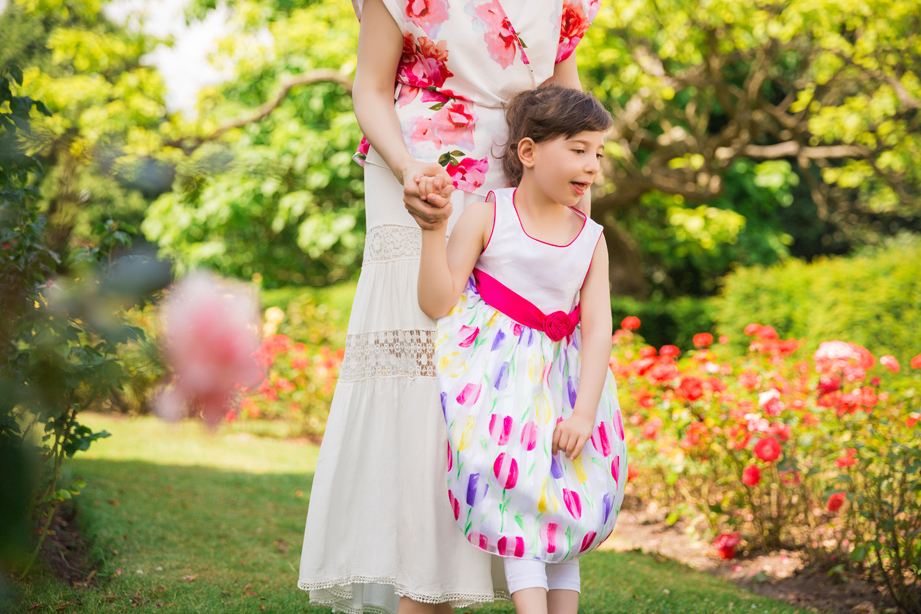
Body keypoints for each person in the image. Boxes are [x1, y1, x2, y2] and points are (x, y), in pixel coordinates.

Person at [298, 2, 603, 614]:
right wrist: (410, 168)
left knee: (513, 375)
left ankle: (511, 546)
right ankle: (420, 582)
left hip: (525, 177)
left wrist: (578, 206)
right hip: (418, 169)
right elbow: (370, 87)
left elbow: (567, 101)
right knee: (426, 374)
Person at [416, 84, 628, 614]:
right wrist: (432, 231)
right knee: (521, 498)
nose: (592, 167)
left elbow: (598, 326)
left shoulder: (591, 237)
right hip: (500, 389)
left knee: (567, 500)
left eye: (598, 153)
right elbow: (440, 301)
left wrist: (583, 413)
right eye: (578, 149)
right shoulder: (488, 216)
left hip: (568, 389)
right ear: (529, 152)